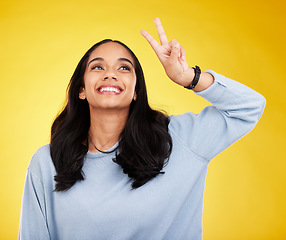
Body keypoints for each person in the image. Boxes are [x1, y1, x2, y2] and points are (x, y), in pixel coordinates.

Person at [19, 18, 266, 240]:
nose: (110, 75)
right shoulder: (47, 162)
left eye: (124, 68)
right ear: (81, 89)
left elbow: (249, 107)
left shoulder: (179, 140)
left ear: (136, 91)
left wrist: (188, 77)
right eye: (97, 67)